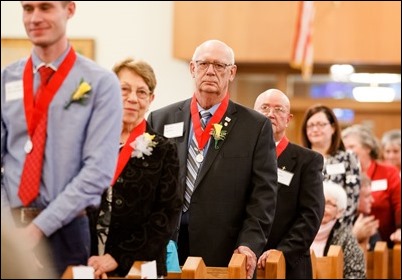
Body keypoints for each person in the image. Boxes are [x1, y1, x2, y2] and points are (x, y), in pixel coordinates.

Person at [0, 1, 122, 277]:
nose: (35, 18)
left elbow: (98, 172)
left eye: (45, 7)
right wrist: (9, 229)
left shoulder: (101, 83)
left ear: (70, 10)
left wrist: (37, 229)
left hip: (67, 230)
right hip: (10, 231)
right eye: (28, 9)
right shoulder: (6, 79)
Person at [148, 39, 278, 279]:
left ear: (232, 72)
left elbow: (264, 194)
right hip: (165, 243)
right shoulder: (161, 119)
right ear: (192, 69)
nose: (210, 71)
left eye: (219, 66)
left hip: (224, 249)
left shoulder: (255, 127)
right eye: (204, 63)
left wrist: (249, 243)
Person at [87, 58, 182, 278]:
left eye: (141, 92)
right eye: (124, 89)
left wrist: (117, 257)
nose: (132, 98)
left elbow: (166, 215)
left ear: (151, 99)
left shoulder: (164, 149)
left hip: (140, 265)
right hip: (89, 260)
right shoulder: (90, 142)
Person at [253, 89, 324, 279]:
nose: (271, 114)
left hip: (290, 264)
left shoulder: (308, 160)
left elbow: (311, 215)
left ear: (288, 118)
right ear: (253, 115)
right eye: (265, 108)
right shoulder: (242, 156)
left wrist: (282, 252)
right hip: (246, 260)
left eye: (279, 109)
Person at [301, 104, 360, 226]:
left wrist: (333, 227)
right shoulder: (300, 159)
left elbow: (352, 199)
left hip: (338, 227)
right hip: (305, 227)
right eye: (310, 125)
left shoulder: (348, 158)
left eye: (321, 124)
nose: (315, 129)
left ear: (333, 128)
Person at [342, 124, 401, 247]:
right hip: (352, 243)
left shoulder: (388, 172)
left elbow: (399, 203)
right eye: (344, 147)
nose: (347, 151)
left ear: (367, 148)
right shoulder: (342, 174)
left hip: (388, 244)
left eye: (351, 146)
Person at [311, 181, 366, 279]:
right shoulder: (303, 231)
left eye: (328, 204)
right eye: (320, 201)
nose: (322, 207)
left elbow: (357, 273)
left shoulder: (346, 237)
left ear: (339, 211)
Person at [352, 173, 381, 252]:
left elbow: (376, 249)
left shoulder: (366, 222)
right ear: (354, 198)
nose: (372, 200)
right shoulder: (339, 223)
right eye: (367, 196)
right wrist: (354, 236)